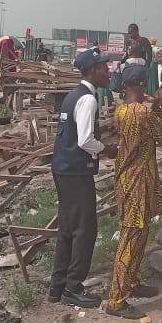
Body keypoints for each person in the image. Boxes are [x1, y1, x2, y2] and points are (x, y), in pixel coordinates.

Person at [105, 63, 162, 319]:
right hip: (136, 184)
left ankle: (132, 283)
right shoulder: (142, 115)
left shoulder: (121, 110)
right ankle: (116, 300)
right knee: (131, 238)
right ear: (142, 84)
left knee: (140, 233)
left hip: (129, 181)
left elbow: (147, 133)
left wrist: (153, 103)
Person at [49, 49, 118, 308]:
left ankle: (57, 286)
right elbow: (85, 140)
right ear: (93, 70)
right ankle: (73, 288)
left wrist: (102, 128)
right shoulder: (88, 99)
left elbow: (82, 129)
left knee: (67, 228)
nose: (108, 72)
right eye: (104, 68)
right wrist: (108, 150)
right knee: (84, 230)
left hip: (63, 168)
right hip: (76, 171)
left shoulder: (73, 96)